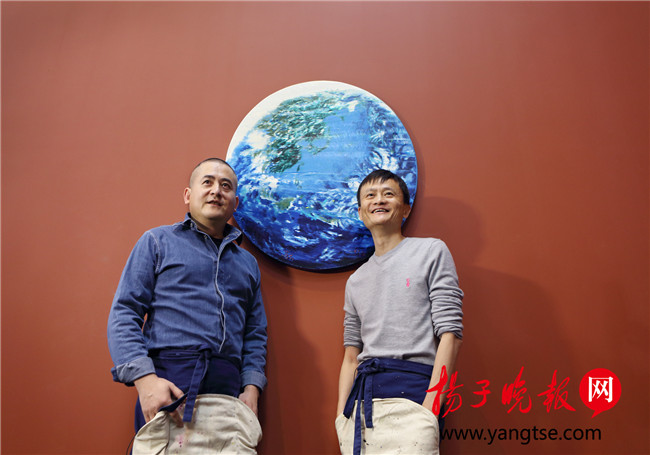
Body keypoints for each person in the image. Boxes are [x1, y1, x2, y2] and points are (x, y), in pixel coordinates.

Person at [107, 158, 267, 451]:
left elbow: (255, 333)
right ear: (188, 195)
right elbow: (124, 313)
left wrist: (252, 387)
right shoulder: (157, 242)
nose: (216, 190)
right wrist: (145, 381)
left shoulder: (248, 265)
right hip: (169, 388)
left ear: (235, 203)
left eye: (226, 186)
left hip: (230, 395)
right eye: (207, 182)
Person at [335, 169, 464, 455]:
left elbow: (451, 334)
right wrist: (341, 418)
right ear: (360, 213)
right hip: (362, 406)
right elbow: (351, 355)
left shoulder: (431, 251)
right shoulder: (355, 280)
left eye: (388, 194)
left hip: (415, 397)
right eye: (370, 195)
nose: (379, 200)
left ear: (405, 209)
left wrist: (431, 408)